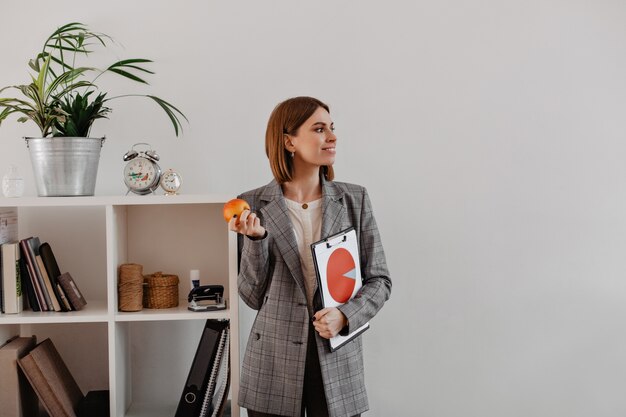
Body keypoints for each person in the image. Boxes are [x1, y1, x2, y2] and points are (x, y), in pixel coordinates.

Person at [229, 96, 391, 417]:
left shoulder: (353, 199)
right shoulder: (251, 205)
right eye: (319, 129)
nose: (331, 136)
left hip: (336, 358)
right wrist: (257, 240)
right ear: (289, 141)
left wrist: (345, 315)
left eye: (332, 128)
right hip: (272, 363)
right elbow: (251, 295)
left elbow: (380, 281)